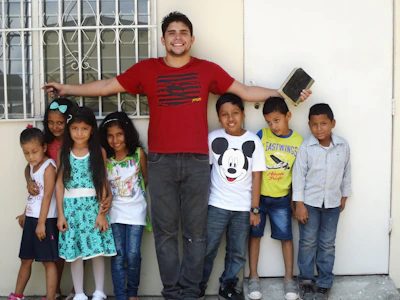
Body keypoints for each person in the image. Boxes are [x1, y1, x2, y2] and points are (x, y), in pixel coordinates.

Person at [43, 11, 311, 299]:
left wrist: (285, 94)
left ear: (192, 38)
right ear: (163, 39)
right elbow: (108, 86)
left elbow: (244, 91)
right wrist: (66, 88)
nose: (178, 37)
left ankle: (191, 292)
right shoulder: (147, 70)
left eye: (183, 32)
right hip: (160, 162)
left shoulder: (207, 70)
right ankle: (172, 292)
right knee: (165, 234)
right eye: (172, 32)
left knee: (196, 234)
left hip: (197, 162)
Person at [199, 93, 266, 300]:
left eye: (235, 113)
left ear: (243, 114)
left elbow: (257, 177)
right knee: (208, 247)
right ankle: (198, 285)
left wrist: (255, 209)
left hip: (243, 208)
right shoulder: (213, 138)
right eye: (224, 114)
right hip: (216, 204)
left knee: (237, 251)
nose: (231, 119)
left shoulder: (253, 141)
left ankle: (227, 285)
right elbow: (204, 170)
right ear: (219, 117)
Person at [56, 107, 116, 300]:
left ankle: (99, 292)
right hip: (71, 209)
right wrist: (61, 214)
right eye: (74, 128)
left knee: (96, 251)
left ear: (91, 130)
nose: (79, 133)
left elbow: (102, 181)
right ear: (69, 129)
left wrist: (101, 211)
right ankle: (79, 293)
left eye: (84, 128)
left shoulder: (98, 151)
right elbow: (59, 184)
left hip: (93, 207)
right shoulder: (63, 153)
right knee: (76, 253)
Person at [292, 103, 351, 300]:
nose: (319, 129)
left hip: (332, 203)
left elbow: (346, 172)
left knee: (327, 244)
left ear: (333, 123)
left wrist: (344, 195)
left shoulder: (342, 146)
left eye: (324, 123)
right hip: (309, 203)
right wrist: (299, 204)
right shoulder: (306, 147)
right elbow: (298, 176)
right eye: (315, 124)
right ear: (309, 125)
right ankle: (306, 281)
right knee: (308, 242)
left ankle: (325, 282)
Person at [247, 97, 303, 300]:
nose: (273, 126)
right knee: (254, 235)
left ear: (288, 116)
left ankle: (289, 277)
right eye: (269, 122)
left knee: (286, 237)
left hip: (281, 199)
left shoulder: (298, 141)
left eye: (277, 120)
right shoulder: (261, 135)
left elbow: (299, 175)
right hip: (259, 198)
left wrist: (296, 202)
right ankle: (253, 276)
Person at [99, 112, 148, 300]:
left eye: (119, 134)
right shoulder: (105, 158)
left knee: (133, 254)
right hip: (114, 212)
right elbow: (102, 182)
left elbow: (145, 180)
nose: (115, 140)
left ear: (127, 133)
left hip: (136, 211)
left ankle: (132, 293)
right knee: (118, 255)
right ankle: (121, 295)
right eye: (110, 135)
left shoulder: (138, 155)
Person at [10, 127, 58, 300]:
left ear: (44, 147)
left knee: (48, 261)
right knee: (26, 259)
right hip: (31, 219)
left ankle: (50, 297)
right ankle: (17, 295)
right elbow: (33, 195)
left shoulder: (49, 167)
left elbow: (47, 196)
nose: (31, 156)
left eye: (34, 152)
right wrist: (25, 213)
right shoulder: (32, 167)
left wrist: (41, 223)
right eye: (26, 153)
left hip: (45, 221)